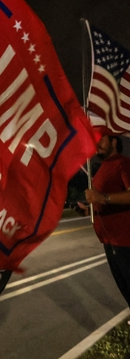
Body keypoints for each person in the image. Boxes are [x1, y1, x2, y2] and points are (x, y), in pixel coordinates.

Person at [83, 129, 130, 306]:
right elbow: (103, 202)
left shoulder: (123, 163)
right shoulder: (103, 169)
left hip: (125, 241)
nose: (97, 143)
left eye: (101, 139)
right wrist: (89, 209)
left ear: (114, 142)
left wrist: (103, 197)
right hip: (109, 242)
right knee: (125, 288)